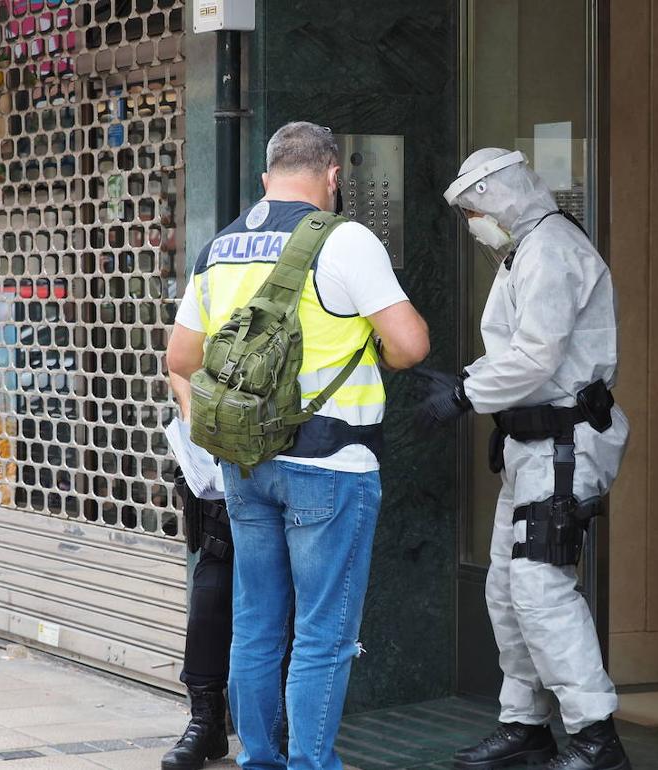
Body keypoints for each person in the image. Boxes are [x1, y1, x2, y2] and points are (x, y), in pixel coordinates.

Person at [168, 122, 430, 770]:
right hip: (330, 468)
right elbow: (410, 346)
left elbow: (180, 358)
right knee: (322, 634)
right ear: (333, 177)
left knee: (256, 625)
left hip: (247, 468)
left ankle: (260, 759)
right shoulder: (345, 241)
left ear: (267, 178)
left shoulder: (221, 246)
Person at [418, 149, 632, 770]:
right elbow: (521, 353)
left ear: (502, 196)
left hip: (563, 447)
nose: (473, 223)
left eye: (475, 209)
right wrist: (472, 384)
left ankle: (596, 737)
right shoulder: (527, 249)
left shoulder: (550, 249)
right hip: (533, 446)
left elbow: (537, 358)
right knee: (506, 590)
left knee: (540, 589)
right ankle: (525, 724)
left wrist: (464, 395)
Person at [160, 373, 234, 770]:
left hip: (287, 461)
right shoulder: (212, 306)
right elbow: (178, 361)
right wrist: (194, 420)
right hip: (219, 477)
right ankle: (205, 721)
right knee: (209, 597)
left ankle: (286, 729)